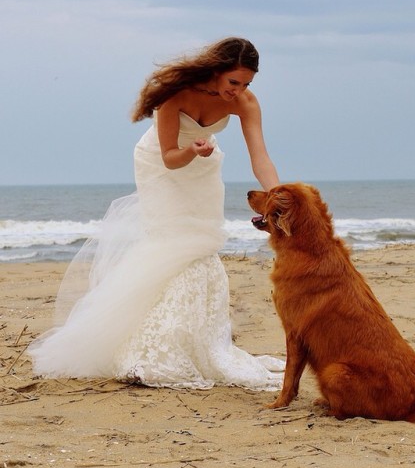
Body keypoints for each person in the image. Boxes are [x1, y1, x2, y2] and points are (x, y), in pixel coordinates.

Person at [28, 37, 284, 390]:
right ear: (215, 72)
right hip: (164, 166)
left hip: (204, 168)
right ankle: (149, 341)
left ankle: (197, 343)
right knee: (169, 245)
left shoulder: (245, 103)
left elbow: (260, 157)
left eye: (246, 84)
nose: (238, 91)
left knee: (201, 245)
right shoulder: (174, 94)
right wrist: (192, 151)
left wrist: (278, 196)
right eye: (233, 82)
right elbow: (169, 158)